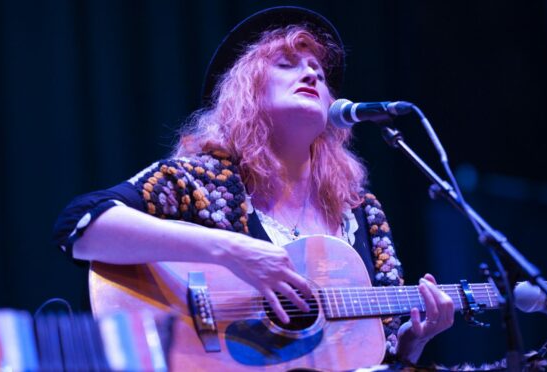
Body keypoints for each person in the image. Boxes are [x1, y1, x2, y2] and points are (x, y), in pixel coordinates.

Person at [53, 6, 454, 366]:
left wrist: (410, 344)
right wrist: (233, 252)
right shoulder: (202, 182)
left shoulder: (360, 210)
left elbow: (371, 353)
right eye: (287, 63)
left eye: (318, 68)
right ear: (247, 92)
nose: (312, 73)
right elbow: (80, 227)